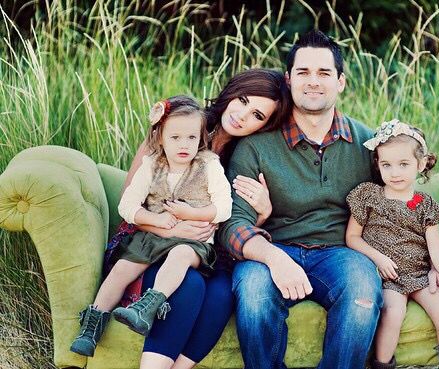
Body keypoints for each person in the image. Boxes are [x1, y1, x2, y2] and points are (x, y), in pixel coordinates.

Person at [217, 30, 382, 369]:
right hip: (273, 248)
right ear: (289, 79)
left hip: (340, 254)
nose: (313, 82)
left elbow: (395, 207)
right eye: (303, 72)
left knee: (363, 289)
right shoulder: (256, 145)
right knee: (253, 293)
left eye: (324, 73)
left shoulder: (367, 143)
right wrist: (276, 259)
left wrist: (427, 265)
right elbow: (233, 225)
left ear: (341, 82)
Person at [114, 69, 292, 369]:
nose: (242, 115)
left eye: (257, 114)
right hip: (149, 243)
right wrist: (173, 228)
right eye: (243, 100)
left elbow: (228, 226)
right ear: (232, 91)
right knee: (190, 284)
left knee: (223, 293)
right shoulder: (180, 123)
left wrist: (262, 214)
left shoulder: (246, 155)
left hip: (206, 253)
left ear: (265, 125)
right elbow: (130, 203)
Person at [70, 95, 233, 357]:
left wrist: (194, 213)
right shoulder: (152, 164)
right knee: (123, 269)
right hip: (153, 235)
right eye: (175, 137)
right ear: (159, 138)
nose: (184, 145)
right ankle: (92, 324)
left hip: (194, 240)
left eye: (191, 138)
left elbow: (225, 207)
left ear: (201, 139)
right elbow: (127, 206)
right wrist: (156, 219)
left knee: (179, 256)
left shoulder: (209, 165)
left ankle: (147, 306)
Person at [345, 119, 439, 369]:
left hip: (420, 274)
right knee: (393, 313)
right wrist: (378, 258)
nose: (395, 173)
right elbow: (352, 238)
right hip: (387, 276)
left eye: (403, 164)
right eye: (387, 165)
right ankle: (382, 364)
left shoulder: (425, 206)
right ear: (378, 165)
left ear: (421, 163)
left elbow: (437, 250)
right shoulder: (369, 196)